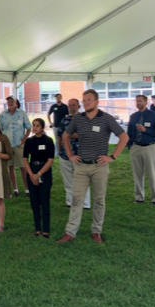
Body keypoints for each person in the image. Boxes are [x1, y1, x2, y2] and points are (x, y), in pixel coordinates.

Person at [57, 89, 128, 244]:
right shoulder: (78, 119)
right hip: (81, 166)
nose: (86, 103)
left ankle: (96, 231)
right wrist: (70, 155)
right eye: (84, 100)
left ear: (97, 101)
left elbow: (124, 137)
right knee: (76, 199)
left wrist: (112, 157)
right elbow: (65, 135)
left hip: (99, 166)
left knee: (99, 200)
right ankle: (70, 232)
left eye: (89, 100)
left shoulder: (106, 119)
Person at [127, 95, 155, 205]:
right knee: (137, 173)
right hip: (136, 147)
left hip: (150, 146)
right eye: (136, 101)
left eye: (140, 101)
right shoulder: (133, 116)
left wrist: (146, 130)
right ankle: (139, 197)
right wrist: (130, 145)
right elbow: (129, 132)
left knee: (152, 173)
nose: (138, 103)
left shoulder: (153, 115)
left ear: (146, 102)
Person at [57, 99, 91, 209]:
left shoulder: (85, 119)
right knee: (68, 181)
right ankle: (70, 202)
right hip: (65, 155)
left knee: (82, 180)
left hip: (80, 155)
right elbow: (60, 136)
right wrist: (59, 149)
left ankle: (85, 203)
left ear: (79, 106)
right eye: (70, 105)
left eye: (74, 105)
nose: (71, 107)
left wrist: (69, 135)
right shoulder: (64, 120)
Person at [23, 118, 54, 237]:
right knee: (34, 201)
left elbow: (50, 160)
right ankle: (37, 228)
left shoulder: (48, 141)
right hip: (32, 170)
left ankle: (46, 229)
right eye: (33, 125)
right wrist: (31, 175)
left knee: (44, 200)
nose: (35, 128)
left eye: (37, 126)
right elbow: (25, 159)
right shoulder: (29, 141)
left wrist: (39, 174)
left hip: (44, 172)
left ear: (42, 128)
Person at [0, 96, 32, 197]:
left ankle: (27, 189)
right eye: (8, 101)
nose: (10, 103)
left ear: (16, 103)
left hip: (19, 145)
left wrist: (24, 139)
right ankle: (15, 189)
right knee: (10, 167)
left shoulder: (22, 114)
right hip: (8, 145)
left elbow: (29, 128)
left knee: (23, 167)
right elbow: (0, 129)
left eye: (12, 101)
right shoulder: (3, 115)